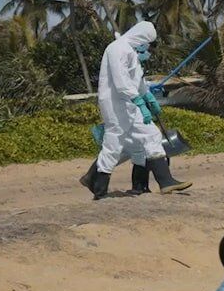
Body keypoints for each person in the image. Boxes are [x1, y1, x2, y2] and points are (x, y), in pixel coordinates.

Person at [80, 21, 190, 199]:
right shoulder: (117, 49)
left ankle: (156, 183)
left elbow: (137, 82)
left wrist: (147, 97)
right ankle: (100, 189)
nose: (148, 48)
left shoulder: (130, 52)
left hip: (128, 104)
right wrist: (138, 100)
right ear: (142, 37)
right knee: (118, 143)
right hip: (117, 105)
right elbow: (121, 81)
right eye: (149, 43)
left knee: (143, 141)